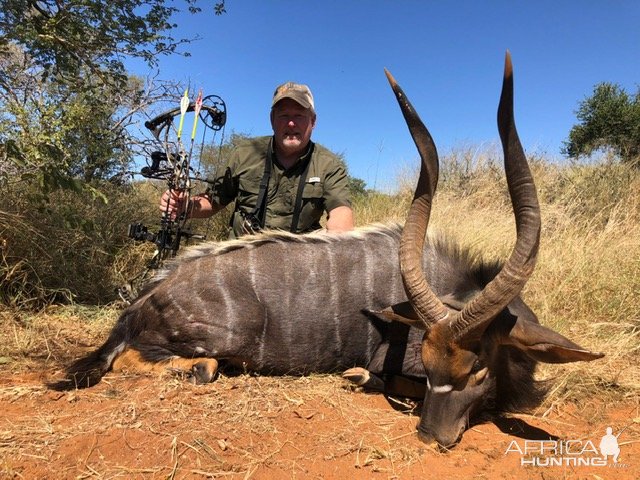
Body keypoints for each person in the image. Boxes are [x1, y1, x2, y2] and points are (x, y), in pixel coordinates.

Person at [160, 81, 354, 239]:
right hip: (241, 259)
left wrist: (339, 238)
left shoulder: (329, 164)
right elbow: (213, 201)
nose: (291, 123)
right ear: (272, 120)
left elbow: (341, 215)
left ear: (313, 121)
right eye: (284, 115)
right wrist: (184, 206)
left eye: (299, 116)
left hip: (298, 267)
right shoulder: (245, 154)